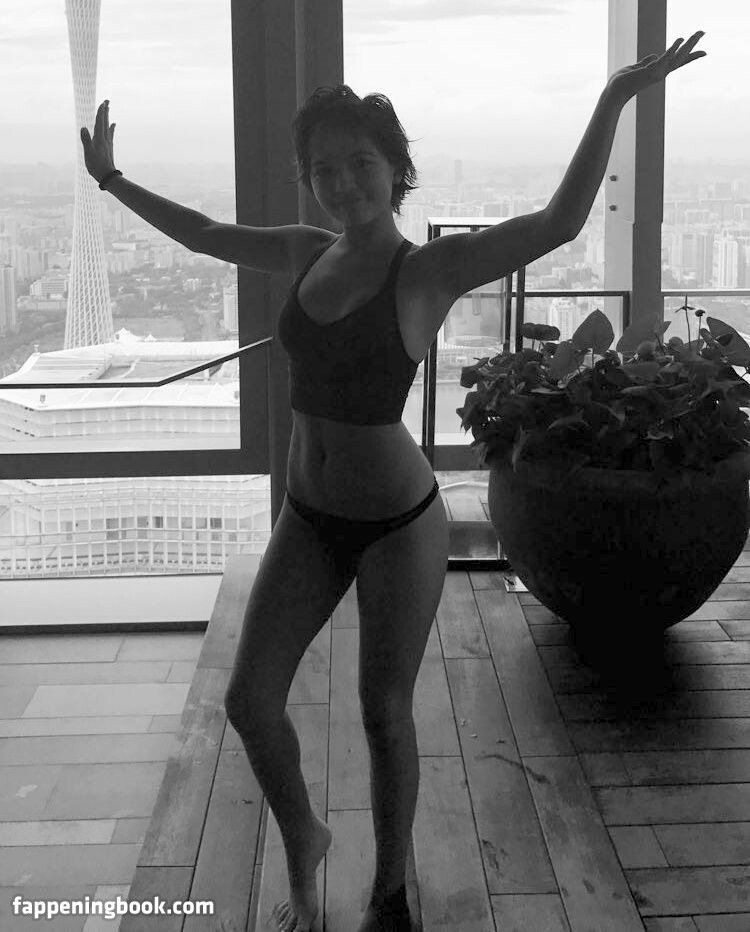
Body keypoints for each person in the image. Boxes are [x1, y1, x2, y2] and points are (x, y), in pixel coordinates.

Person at [80, 30, 705, 932]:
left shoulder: (426, 271)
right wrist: (112, 179)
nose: (342, 183)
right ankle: (305, 836)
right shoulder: (306, 250)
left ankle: (390, 893)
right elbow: (209, 235)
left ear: (397, 171)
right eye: (323, 169)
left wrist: (615, 96)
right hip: (308, 514)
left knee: (383, 712)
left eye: (360, 164)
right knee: (251, 701)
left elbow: (558, 224)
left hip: (398, 522)